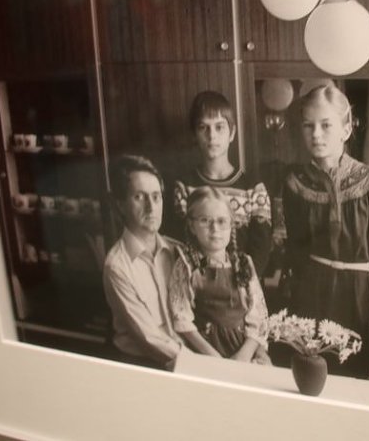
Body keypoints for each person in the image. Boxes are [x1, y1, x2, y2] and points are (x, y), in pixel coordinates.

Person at [282, 83, 369, 376]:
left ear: (346, 130)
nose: (316, 134)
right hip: (312, 290)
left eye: (326, 125)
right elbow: (295, 249)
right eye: (308, 126)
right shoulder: (295, 183)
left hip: (359, 293)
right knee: (313, 367)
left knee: (356, 367)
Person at [172, 91, 273, 277]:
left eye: (219, 127)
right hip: (197, 285)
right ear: (195, 134)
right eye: (204, 127)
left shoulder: (253, 188)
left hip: (244, 287)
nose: (212, 136)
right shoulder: (184, 187)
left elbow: (262, 247)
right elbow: (181, 244)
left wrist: (241, 283)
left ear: (232, 133)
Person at [169, 186, 271, 364]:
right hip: (206, 350)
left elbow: (258, 316)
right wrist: (216, 360)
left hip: (244, 349)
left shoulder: (244, 263)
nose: (214, 228)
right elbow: (182, 318)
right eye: (205, 220)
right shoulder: (186, 265)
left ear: (232, 224)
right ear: (192, 226)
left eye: (221, 221)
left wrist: (245, 355)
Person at [102, 154, 183, 370]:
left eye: (156, 197)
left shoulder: (178, 252)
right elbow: (149, 339)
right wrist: (203, 364)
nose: (151, 207)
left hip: (186, 359)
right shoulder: (116, 266)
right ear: (120, 205)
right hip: (143, 365)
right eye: (139, 197)